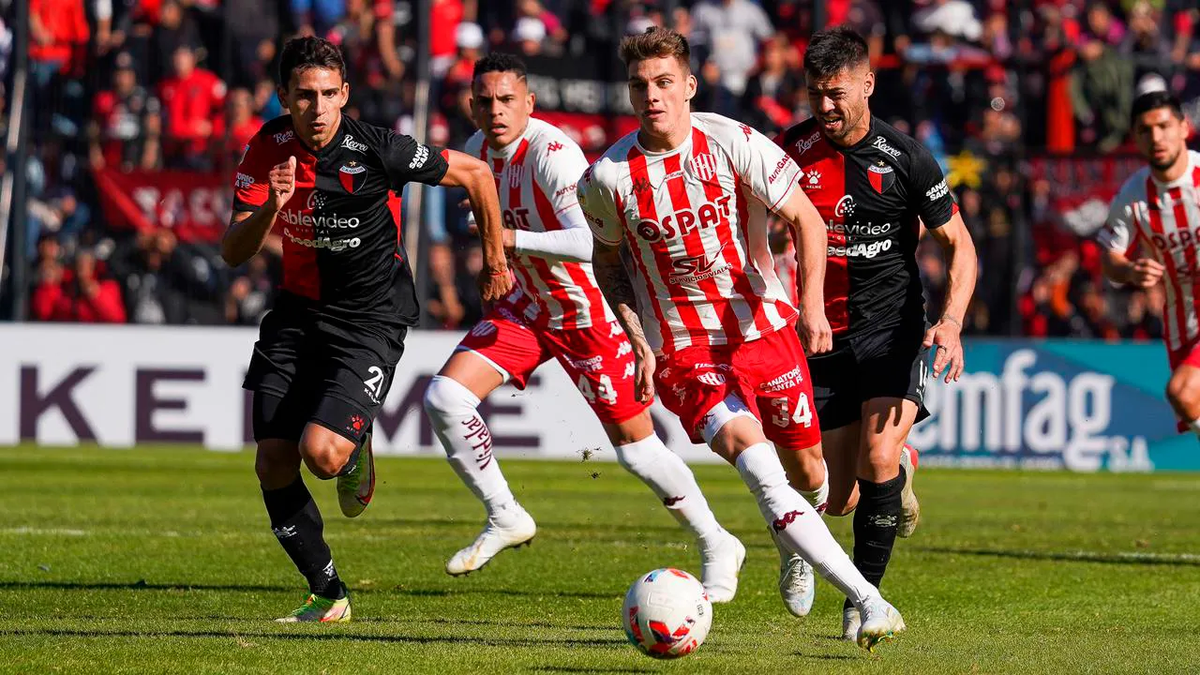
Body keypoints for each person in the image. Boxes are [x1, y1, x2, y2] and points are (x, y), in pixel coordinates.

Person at [577, 26, 905, 651]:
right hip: (684, 351)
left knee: (814, 478)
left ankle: (798, 550)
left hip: (764, 329)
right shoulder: (609, 176)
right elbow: (608, 262)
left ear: (690, 87)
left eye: (664, 83)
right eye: (640, 86)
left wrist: (810, 307)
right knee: (759, 467)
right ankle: (870, 599)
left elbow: (806, 218)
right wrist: (639, 338)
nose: (652, 96)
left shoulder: (733, 141)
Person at [422, 53, 746, 602]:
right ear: (471, 106)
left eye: (507, 100)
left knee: (635, 451)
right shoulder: (475, 154)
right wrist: (496, 264)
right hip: (526, 307)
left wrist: (507, 243)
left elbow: (588, 243)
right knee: (445, 398)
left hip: (588, 314)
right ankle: (505, 514)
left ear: (529, 102)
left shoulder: (552, 154)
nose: (495, 111)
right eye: (484, 101)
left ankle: (717, 542)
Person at [222, 36, 512, 623]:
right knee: (273, 462)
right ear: (284, 98)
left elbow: (478, 173)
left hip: (370, 321)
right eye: (305, 96)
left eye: (330, 95)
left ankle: (356, 447)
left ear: (345, 94)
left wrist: (495, 262)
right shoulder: (265, 149)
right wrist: (270, 211)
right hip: (297, 314)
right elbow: (232, 250)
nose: (318, 108)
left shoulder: (377, 150)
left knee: (323, 456)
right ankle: (327, 593)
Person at [776, 26, 977, 641]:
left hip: (892, 328)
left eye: (837, 93)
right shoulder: (792, 151)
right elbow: (760, 234)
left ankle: (863, 604)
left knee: (877, 456)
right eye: (815, 94)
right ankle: (902, 469)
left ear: (867, 82)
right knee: (837, 498)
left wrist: (950, 322)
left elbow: (960, 246)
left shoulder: (908, 158)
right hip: (821, 335)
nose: (826, 106)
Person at [1098, 90, 1200, 435]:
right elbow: (1109, 258)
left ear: (1184, 128)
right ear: (1135, 138)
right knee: (1189, 405)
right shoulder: (1133, 194)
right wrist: (1129, 270)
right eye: (1145, 130)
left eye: (1164, 126)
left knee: (1183, 393)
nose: (1156, 137)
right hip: (1182, 323)